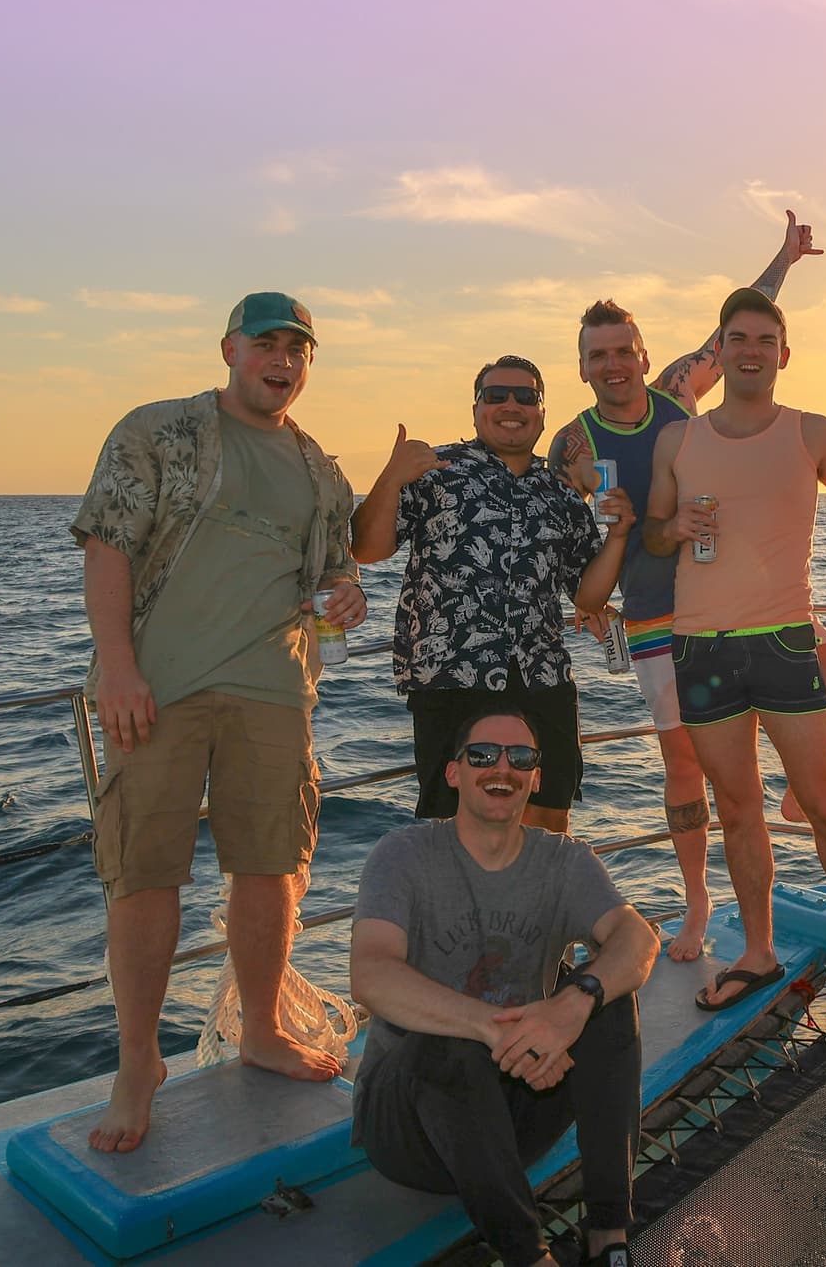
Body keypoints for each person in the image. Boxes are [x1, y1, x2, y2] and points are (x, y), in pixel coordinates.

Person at [70, 292, 364, 1154]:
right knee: (145, 874)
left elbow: (337, 572)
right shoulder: (158, 432)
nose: (281, 360)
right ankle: (137, 1063)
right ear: (230, 348)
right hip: (155, 689)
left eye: (297, 349)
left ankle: (263, 1028)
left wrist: (347, 593)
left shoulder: (320, 469)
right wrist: (118, 669)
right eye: (265, 344)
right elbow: (107, 548)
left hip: (276, 691)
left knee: (270, 867)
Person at [549, 214, 826, 963]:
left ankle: (797, 801)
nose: (615, 364)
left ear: (646, 356)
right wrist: (580, 603)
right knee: (686, 770)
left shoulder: (676, 399)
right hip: (657, 621)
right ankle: (697, 908)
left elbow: (739, 318)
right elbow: (560, 542)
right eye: (600, 356)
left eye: (625, 351)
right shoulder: (572, 444)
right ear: (584, 367)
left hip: (749, 601)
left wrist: (784, 260)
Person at [641, 287, 826, 1014]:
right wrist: (672, 529)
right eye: (739, 338)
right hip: (699, 646)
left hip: (783, 639)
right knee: (737, 809)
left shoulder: (812, 431)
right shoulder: (680, 440)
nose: (752, 351)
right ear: (722, 349)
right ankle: (758, 952)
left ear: (783, 354)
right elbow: (650, 533)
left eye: (765, 340)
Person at [350, 710, 656, 1267]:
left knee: (608, 999)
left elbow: (638, 938)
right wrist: (495, 1029)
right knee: (447, 1041)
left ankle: (609, 1233)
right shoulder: (403, 856)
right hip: (410, 1128)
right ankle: (526, 1255)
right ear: (453, 773)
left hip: (518, 1114)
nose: (503, 768)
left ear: (536, 778)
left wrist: (573, 1002)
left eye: (521, 758)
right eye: (483, 755)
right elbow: (370, 974)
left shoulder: (563, 861)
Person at [352, 356, 633, 833]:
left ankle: (534, 910)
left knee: (548, 817)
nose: (511, 405)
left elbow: (586, 597)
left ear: (542, 412)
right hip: (451, 676)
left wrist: (620, 536)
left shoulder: (561, 494)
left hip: (542, 675)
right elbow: (366, 549)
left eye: (525, 397)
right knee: (454, 824)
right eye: (496, 395)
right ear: (476, 408)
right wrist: (390, 477)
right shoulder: (433, 471)